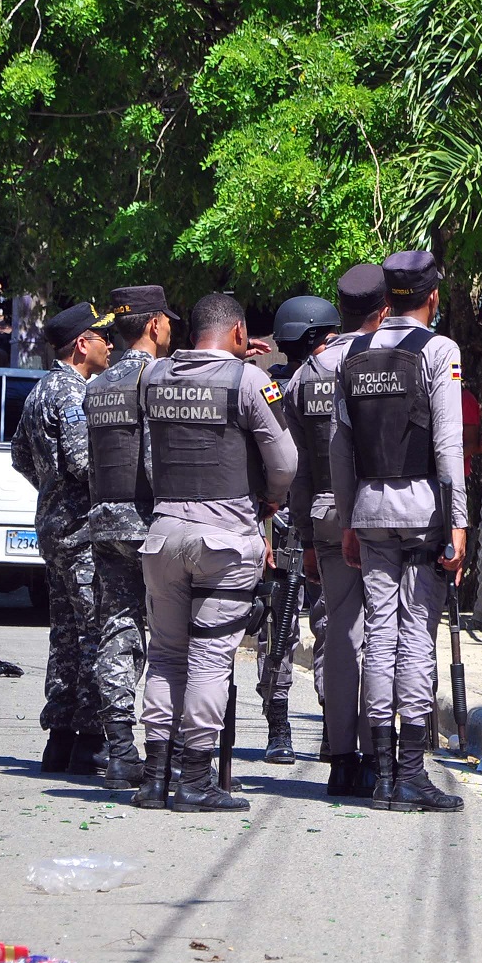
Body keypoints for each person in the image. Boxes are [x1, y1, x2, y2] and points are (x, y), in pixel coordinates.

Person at [132, 294, 297, 813]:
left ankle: (154, 778)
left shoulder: (153, 376)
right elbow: (286, 460)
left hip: (162, 535)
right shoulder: (249, 382)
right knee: (208, 658)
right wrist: (271, 498)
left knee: (163, 655)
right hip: (224, 540)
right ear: (240, 332)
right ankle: (197, 781)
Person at [331, 250, 467, 813]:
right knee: (415, 638)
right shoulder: (439, 350)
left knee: (379, 637)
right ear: (432, 297)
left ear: (387, 300)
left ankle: (383, 774)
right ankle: (410, 772)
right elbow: (448, 446)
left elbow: (340, 447)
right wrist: (459, 523)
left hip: (369, 511)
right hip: (421, 514)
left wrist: (347, 520)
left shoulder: (352, 353)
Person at [287, 265, 388, 796]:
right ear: (383, 311)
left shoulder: (307, 374)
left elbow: (298, 469)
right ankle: (377, 757)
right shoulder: (389, 362)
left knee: (341, 636)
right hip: (382, 513)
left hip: (325, 517)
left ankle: (340, 759)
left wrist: (303, 537)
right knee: (383, 636)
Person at [84, 285, 180, 789]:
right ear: (154, 325)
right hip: (151, 523)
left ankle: (121, 751)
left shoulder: (97, 385)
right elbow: (155, 458)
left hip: (105, 522)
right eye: (167, 320)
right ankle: (172, 754)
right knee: (168, 636)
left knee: (117, 631)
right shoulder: (155, 377)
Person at [10, 303, 112, 774]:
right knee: (94, 630)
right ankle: (89, 739)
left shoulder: (38, 390)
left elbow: (20, 459)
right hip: (79, 529)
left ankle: (60, 739)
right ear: (81, 345)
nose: (109, 344)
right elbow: (81, 462)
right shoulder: (72, 393)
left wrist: (50, 494)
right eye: (102, 337)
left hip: (52, 526)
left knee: (66, 635)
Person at [256, 295, 343, 765]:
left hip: (282, 522)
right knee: (330, 622)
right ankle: (333, 725)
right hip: (321, 521)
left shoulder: (269, 389)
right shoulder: (334, 380)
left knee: (278, 627)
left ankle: (280, 727)